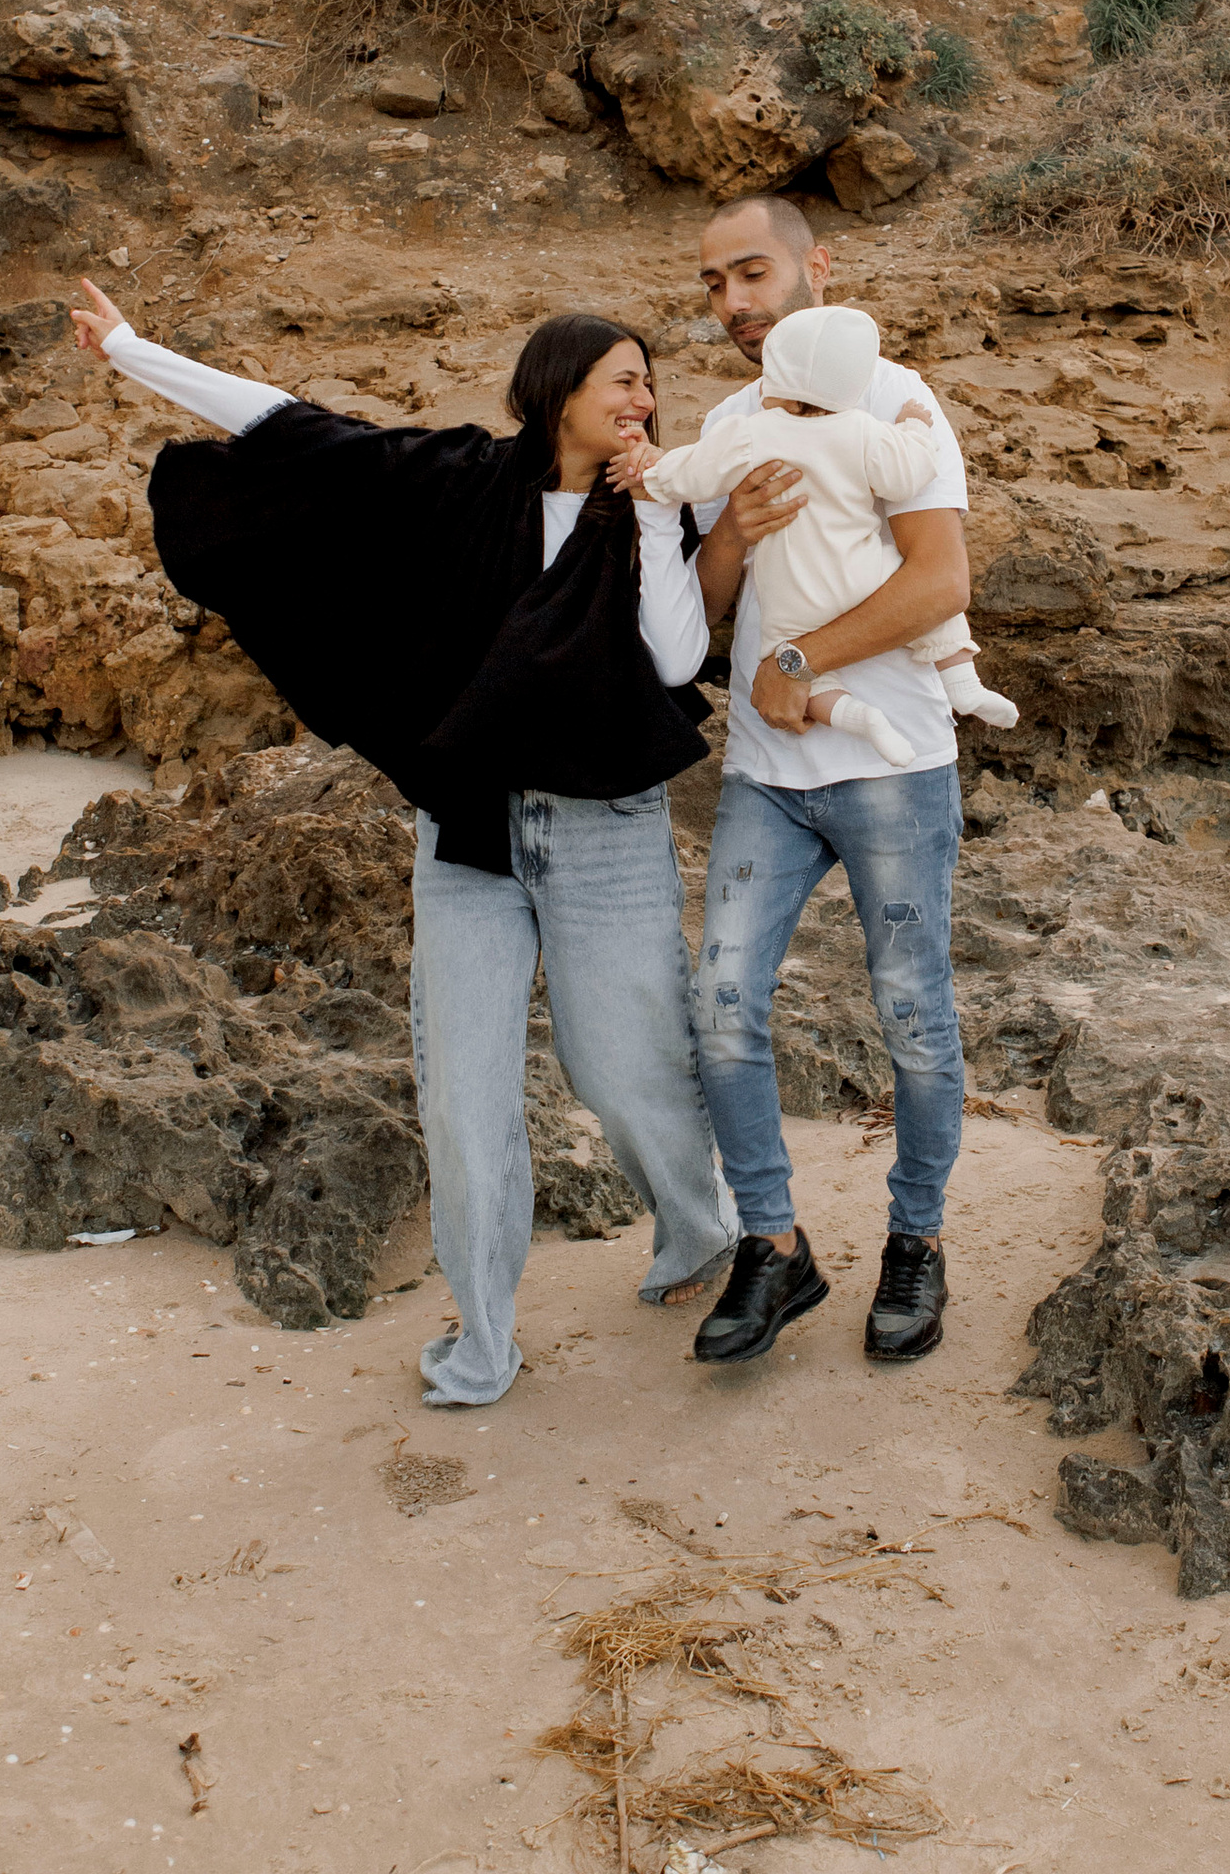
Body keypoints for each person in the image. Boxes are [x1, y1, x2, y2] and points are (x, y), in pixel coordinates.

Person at [69, 278, 735, 1408]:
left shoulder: (656, 504)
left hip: (605, 828)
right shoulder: (462, 482)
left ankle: (697, 1232)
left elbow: (678, 663)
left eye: (650, 383)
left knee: (624, 1074)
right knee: (461, 1097)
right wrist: (134, 349)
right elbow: (293, 430)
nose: (645, 396)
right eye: (623, 377)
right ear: (556, 390)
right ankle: (483, 1339)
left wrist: (669, 508)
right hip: (468, 827)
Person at [676, 199, 975, 1372]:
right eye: (713, 285)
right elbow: (704, 603)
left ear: (816, 269)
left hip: (893, 767)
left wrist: (802, 662)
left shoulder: (898, 404)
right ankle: (772, 1243)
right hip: (764, 774)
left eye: (751, 273)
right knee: (720, 1006)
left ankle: (916, 1238)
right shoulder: (725, 421)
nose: (734, 303)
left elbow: (940, 579)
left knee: (912, 1015)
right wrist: (735, 535)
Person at [614, 302, 1016, 766]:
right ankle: (964, 684)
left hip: (794, 591)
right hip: (867, 573)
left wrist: (651, 472)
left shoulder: (749, 432)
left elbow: (692, 473)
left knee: (796, 663)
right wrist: (914, 427)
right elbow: (907, 473)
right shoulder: (863, 430)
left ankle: (862, 719)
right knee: (935, 614)